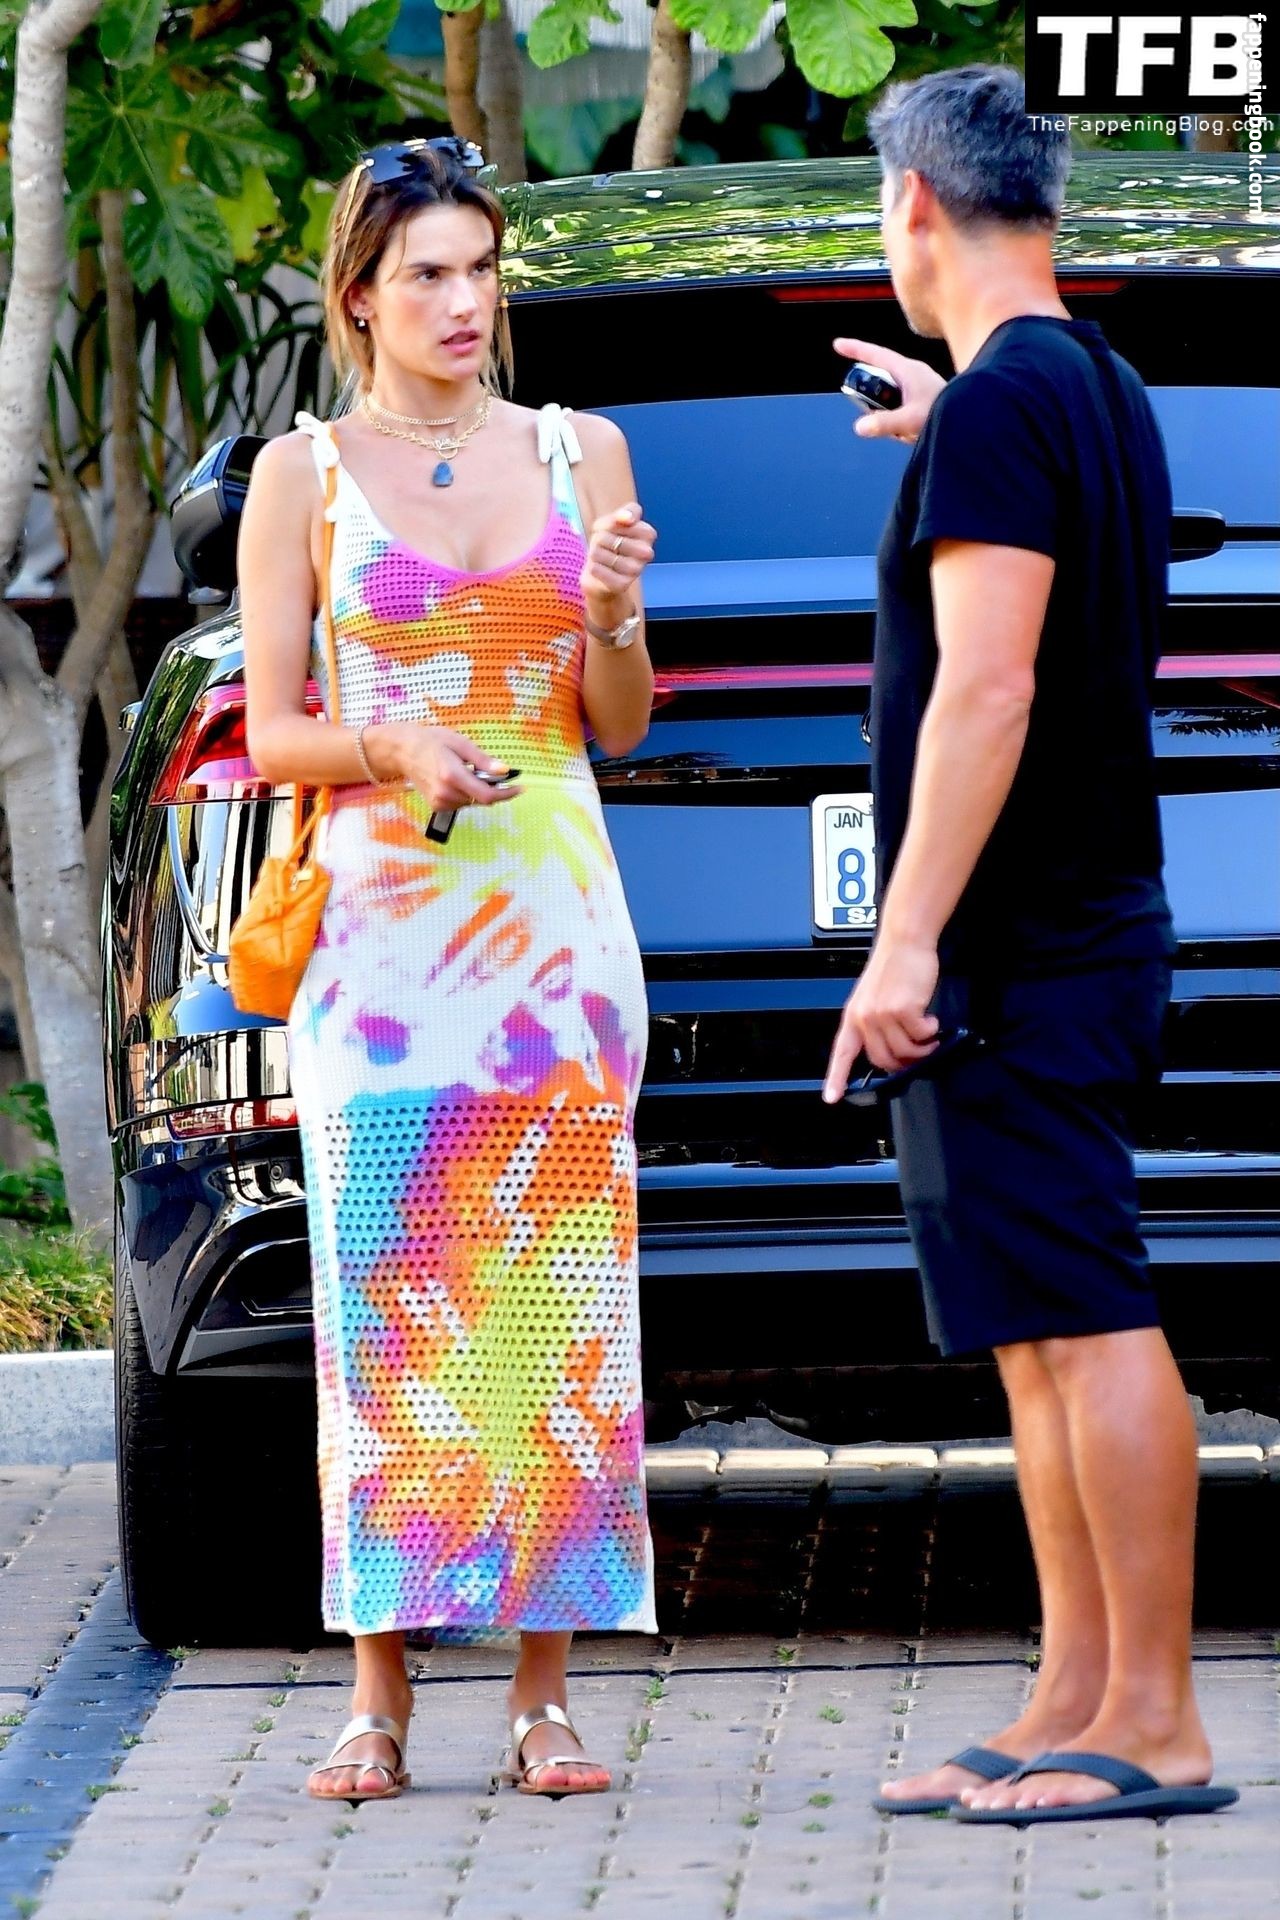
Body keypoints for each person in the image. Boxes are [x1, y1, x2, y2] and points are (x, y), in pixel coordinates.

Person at [822, 70, 1237, 1825]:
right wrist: (951, 429)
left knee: (1089, 1312)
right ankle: (1076, 1694)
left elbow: (988, 690)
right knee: (1033, 1331)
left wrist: (902, 940)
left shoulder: (1010, 406)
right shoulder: (1085, 384)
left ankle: (1160, 1722)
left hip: (1028, 942)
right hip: (1069, 929)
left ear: (915, 203)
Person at [239, 136, 659, 1805]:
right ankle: (379, 1693)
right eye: (427, 273)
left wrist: (611, 614)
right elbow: (274, 734)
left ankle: (546, 1697)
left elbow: (615, 723)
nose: (464, 300)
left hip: (556, 936)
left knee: (557, 1304)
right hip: (382, 947)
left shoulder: (580, 450)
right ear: (359, 295)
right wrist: (392, 744)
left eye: (481, 269)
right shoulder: (304, 475)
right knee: (387, 1299)